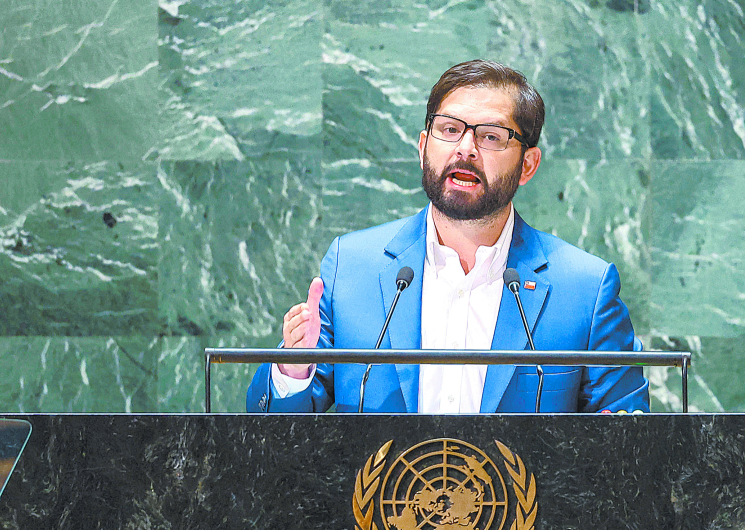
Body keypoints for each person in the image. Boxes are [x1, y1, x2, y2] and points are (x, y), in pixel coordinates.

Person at [247, 60, 649, 414]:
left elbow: (629, 441)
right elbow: (274, 434)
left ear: (528, 164)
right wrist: (293, 369)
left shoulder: (583, 288)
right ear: (423, 148)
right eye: (450, 129)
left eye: (491, 135)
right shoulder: (351, 267)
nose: (466, 148)